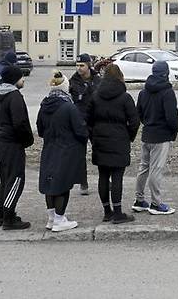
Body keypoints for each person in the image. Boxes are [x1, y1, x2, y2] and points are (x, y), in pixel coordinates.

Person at [87, 64, 140, 224]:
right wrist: (129, 136)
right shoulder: (125, 97)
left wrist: (93, 138)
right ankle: (118, 212)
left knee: (103, 176)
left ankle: (107, 211)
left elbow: (87, 120)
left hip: (100, 141)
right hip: (119, 141)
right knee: (117, 177)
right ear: (120, 77)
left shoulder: (95, 96)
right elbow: (135, 121)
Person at [37, 70, 88, 232]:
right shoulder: (68, 107)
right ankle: (60, 219)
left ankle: (52, 218)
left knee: (50, 183)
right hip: (66, 150)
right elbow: (80, 130)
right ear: (65, 87)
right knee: (63, 185)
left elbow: (40, 129)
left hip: (49, 148)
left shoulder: (44, 104)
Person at [132, 61, 178, 215]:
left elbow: (137, 113)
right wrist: (176, 128)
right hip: (161, 135)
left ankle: (139, 200)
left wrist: (147, 123)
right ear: (166, 73)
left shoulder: (143, 91)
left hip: (147, 133)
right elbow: (172, 117)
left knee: (143, 167)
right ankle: (156, 203)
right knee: (156, 169)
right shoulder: (167, 92)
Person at [0, 66, 34, 230]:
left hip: (1, 141)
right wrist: (28, 140)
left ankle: (1, 215)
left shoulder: (0, 95)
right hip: (11, 143)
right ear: (14, 79)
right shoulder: (14, 96)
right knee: (16, 180)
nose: (23, 79)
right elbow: (20, 123)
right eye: (21, 77)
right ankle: (9, 218)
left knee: (5, 180)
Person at [69, 53, 101, 195]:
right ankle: (83, 182)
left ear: (89, 65)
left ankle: (105, 180)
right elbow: (74, 99)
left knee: (100, 151)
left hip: (96, 121)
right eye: (77, 65)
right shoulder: (73, 81)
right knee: (79, 153)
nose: (79, 68)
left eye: (82, 65)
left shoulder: (98, 79)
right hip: (80, 121)